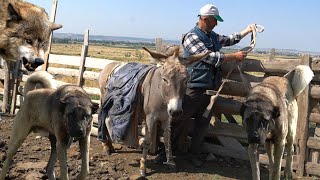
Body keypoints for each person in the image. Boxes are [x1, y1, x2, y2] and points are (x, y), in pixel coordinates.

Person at [170, 4, 256, 167]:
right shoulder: (191, 37)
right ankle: (169, 152)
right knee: (179, 120)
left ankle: (194, 154)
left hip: (209, 89)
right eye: (214, 20)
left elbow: (229, 39)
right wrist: (233, 56)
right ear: (205, 19)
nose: (216, 23)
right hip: (194, 87)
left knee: (202, 124)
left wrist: (247, 31)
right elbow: (208, 57)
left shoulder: (212, 36)